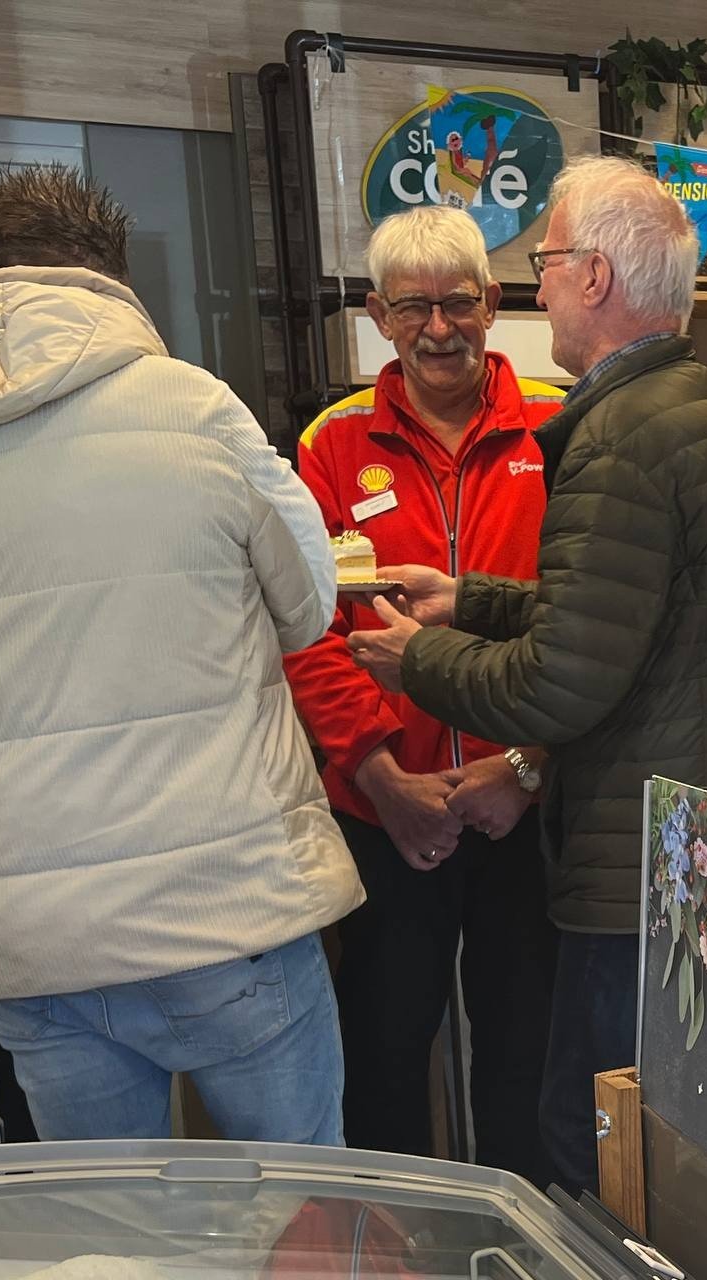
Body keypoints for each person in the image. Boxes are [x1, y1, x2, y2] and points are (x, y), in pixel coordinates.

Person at [0, 165, 360, 1144]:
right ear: (108, 276)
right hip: (229, 908)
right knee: (301, 1220)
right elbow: (310, 604)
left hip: (32, 937)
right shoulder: (194, 408)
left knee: (108, 1237)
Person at [344, 155, 707, 1195]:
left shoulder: (617, 433)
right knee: (642, 1136)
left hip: (626, 860)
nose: (532, 292)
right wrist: (474, 598)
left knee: (581, 1144)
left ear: (592, 276)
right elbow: (622, 615)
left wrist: (421, 658)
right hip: (681, 845)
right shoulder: (693, 403)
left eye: (540, 263)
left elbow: (561, 683)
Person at [282, 206, 562, 1178]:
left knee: (528, 1051)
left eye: (457, 304)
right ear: (375, 315)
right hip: (380, 808)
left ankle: (532, 1240)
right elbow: (304, 632)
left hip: (527, 802)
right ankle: (395, 1245)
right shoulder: (329, 443)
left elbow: (589, 628)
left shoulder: (561, 425)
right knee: (385, 1048)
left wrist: (526, 765)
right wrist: (383, 775)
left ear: (494, 304)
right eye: (412, 308)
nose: (438, 328)